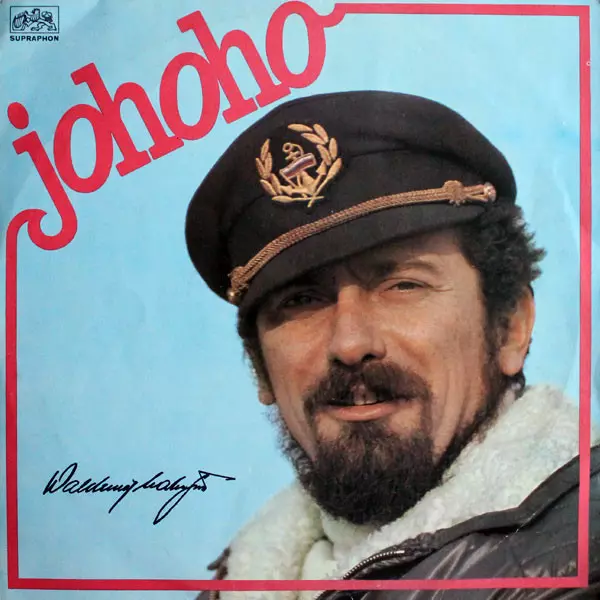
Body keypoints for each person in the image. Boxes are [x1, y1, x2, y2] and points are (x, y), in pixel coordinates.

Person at [184, 91, 600, 599]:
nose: (350, 342)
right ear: (260, 368)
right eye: (301, 300)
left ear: (510, 325)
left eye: (403, 284)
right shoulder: (245, 577)